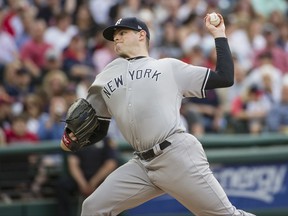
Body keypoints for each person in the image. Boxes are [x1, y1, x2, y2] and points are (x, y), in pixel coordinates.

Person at [60, 15, 256, 216]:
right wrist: (72, 136)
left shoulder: (168, 67)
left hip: (176, 155)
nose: (116, 38)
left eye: (122, 33)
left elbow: (224, 78)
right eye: (114, 35)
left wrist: (219, 35)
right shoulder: (107, 74)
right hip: (141, 165)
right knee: (93, 208)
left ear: (141, 35)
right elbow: (97, 125)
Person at [56, 137, 118, 216]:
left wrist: (93, 182)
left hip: (100, 180)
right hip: (80, 180)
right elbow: (73, 163)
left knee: (114, 187)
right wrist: (83, 184)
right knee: (62, 185)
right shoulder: (78, 139)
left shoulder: (106, 139)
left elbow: (111, 164)